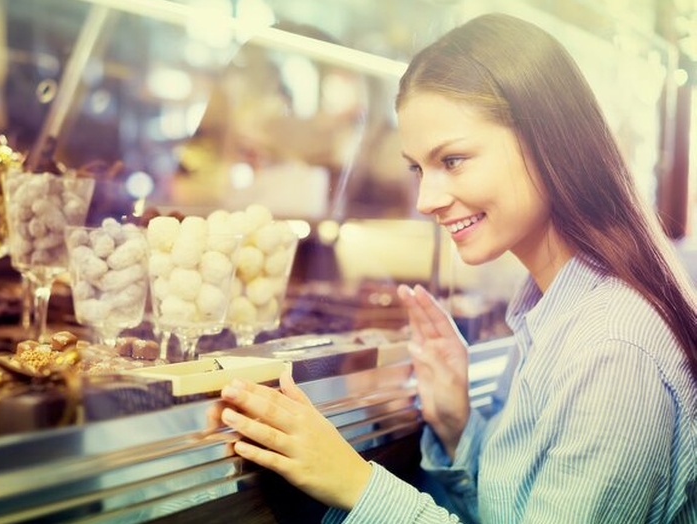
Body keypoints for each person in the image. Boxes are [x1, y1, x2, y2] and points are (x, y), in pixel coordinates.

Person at [210, 12, 697, 524]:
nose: (426, 199)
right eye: (418, 168)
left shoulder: (612, 347)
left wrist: (356, 484)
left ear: (547, 140)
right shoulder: (553, 307)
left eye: (453, 160)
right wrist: (457, 424)